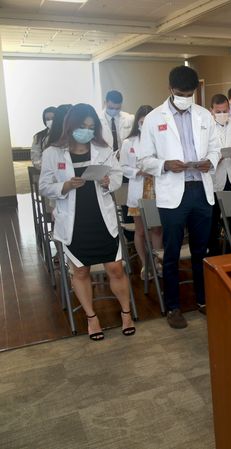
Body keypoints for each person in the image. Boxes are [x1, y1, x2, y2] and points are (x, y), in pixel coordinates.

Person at [38, 103, 135, 340]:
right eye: (83, 126)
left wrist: (107, 182)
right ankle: (92, 318)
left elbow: (116, 175)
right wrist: (65, 185)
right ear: (71, 126)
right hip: (74, 221)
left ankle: (126, 313)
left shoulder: (103, 149)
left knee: (115, 268)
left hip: (101, 218)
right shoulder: (53, 152)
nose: (87, 131)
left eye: (92, 127)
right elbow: (44, 186)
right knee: (80, 271)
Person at [138, 65, 219, 329]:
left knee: (201, 251)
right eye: (181, 93)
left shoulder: (204, 115)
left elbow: (216, 147)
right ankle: (173, 307)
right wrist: (164, 165)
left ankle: (203, 300)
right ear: (170, 89)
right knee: (171, 252)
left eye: (190, 93)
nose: (186, 97)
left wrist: (211, 161)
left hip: (200, 189)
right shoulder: (153, 119)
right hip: (173, 193)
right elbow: (143, 159)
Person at [118, 105, 163, 280]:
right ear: (137, 122)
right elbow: (122, 167)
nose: (144, 125)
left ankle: (157, 262)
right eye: (142, 122)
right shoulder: (129, 143)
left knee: (157, 230)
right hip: (138, 189)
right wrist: (138, 172)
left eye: (148, 122)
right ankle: (145, 265)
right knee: (141, 231)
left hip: (157, 189)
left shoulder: (160, 140)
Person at [207, 93, 231, 255]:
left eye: (224, 111)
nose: (222, 114)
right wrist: (216, 157)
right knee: (212, 221)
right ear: (211, 111)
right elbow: (203, 156)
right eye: (218, 111)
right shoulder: (206, 129)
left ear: (229, 109)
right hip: (216, 178)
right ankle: (214, 255)